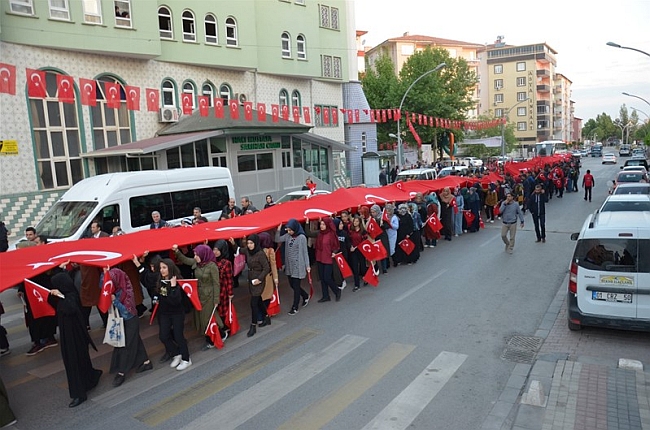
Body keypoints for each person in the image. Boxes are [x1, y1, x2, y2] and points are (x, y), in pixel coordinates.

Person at [49, 270, 103, 407]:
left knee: (74, 364)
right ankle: (90, 379)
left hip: (74, 338)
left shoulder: (71, 296)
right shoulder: (66, 295)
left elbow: (70, 308)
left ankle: (79, 394)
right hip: (70, 337)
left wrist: (60, 295)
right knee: (81, 361)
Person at [172, 244, 226, 350]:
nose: (195, 256)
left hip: (210, 296)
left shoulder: (212, 266)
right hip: (199, 295)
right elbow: (185, 260)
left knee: (207, 319)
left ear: (203, 254)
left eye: (196, 254)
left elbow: (216, 284)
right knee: (206, 317)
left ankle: (211, 340)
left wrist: (216, 299)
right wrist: (177, 251)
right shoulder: (197, 262)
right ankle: (221, 333)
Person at [106, 267, 152, 387]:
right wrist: (105, 272)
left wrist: (115, 301)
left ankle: (121, 372)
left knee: (126, 345)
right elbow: (103, 283)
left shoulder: (127, 293)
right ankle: (146, 362)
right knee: (135, 340)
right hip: (124, 320)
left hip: (130, 319)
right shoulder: (120, 286)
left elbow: (127, 311)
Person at [155, 259, 191, 371]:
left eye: (164, 268)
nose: (162, 270)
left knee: (178, 336)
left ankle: (186, 359)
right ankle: (176, 354)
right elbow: (159, 294)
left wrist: (174, 287)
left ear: (170, 268)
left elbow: (176, 301)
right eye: (161, 268)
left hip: (177, 313)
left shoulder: (177, 281)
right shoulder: (161, 280)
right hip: (165, 313)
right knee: (163, 336)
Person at [233, 234, 271, 337]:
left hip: (258, 281)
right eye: (248, 243)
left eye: (251, 243)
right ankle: (267, 317)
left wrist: (259, 279)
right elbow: (239, 249)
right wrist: (232, 242)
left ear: (256, 243)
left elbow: (267, 268)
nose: (249, 245)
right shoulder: (247, 251)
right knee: (258, 301)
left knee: (253, 303)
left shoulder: (260, 254)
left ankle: (253, 325)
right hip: (251, 280)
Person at [275, 219, 311, 315]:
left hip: (298, 265)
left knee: (295, 285)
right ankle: (305, 295)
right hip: (289, 265)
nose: (289, 232)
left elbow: (305, 252)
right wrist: (278, 230)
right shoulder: (287, 236)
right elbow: (277, 239)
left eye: (291, 230)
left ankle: (295, 307)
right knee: (292, 285)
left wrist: (307, 265)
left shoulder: (302, 237)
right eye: (288, 230)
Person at [306, 218, 341, 303]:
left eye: (323, 224)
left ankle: (337, 291)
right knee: (322, 278)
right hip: (319, 257)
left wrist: (334, 252)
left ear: (327, 225)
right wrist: (307, 223)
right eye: (321, 224)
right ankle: (326, 296)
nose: (321, 226)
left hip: (328, 258)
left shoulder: (331, 234)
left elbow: (336, 246)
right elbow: (309, 233)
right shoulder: (319, 233)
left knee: (327, 278)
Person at [212, 240, 234, 329]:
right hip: (214, 290)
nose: (215, 252)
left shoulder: (226, 263)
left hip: (223, 291)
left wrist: (230, 293)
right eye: (214, 250)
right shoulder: (212, 261)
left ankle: (225, 328)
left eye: (218, 250)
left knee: (223, 310)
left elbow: (229, 279)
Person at [258, 233, 278, 323]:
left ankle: (261, 316)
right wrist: (275, 278)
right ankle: (264, 315)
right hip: (267, 277)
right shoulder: (270, 251)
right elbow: (273, 265)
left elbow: (273, 264)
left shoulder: (258, 250)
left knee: (260, 298)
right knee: (265, 298)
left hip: (260, 277)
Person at [348, 215, 368, 292]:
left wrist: (357, 246)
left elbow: (365, 241)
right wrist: (351, 246)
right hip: (353, 251)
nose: (355, 223)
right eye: (354, 221)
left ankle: (366, 278)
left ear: (359, 222)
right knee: (355, 267)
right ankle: (357, 285)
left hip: (361, 250)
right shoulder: (351, 231)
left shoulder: (363, 231)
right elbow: (349, 240)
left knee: (363, 266)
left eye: (357, 221)